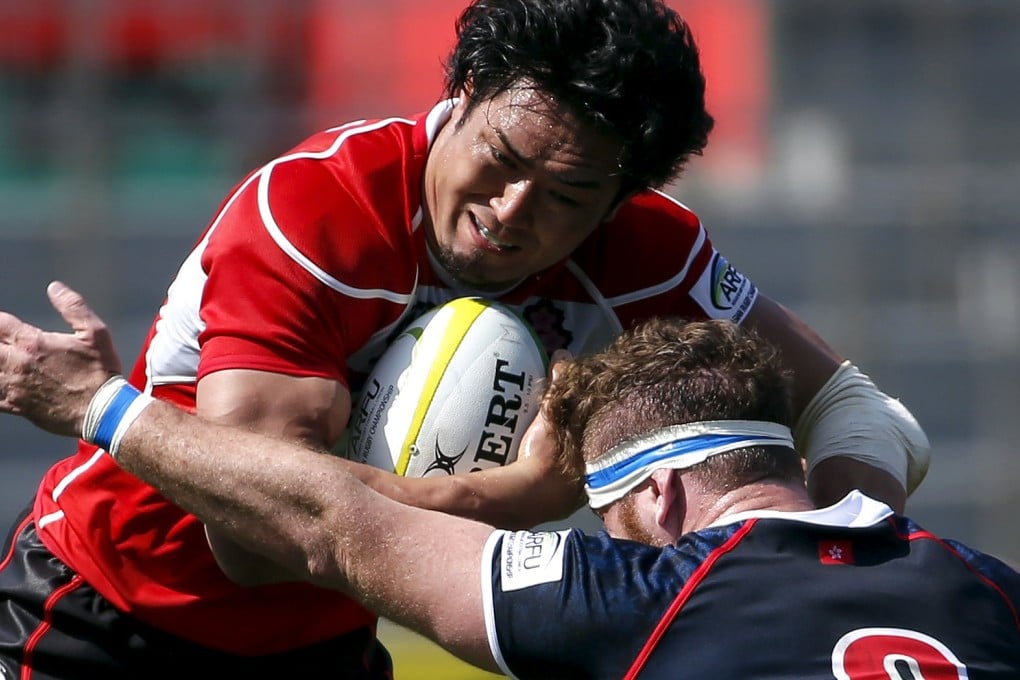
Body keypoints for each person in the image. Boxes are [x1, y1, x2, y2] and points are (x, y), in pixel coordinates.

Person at [0, 0, 930, 676]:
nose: (510, 213)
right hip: (102, 611)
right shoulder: (320, 208)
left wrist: (848, 564)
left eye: (567, 196)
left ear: (620, 197)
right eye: (503, 158)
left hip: (321, 643)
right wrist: (521, 497)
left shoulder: (647, 250)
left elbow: (861, 412)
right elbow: (260, 534)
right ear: (466, 91)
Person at [0, 287, 1014, 679]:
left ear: (656, 497)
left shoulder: (651, 600)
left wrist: (99, 405)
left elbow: (331, 519)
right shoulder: (985, 583)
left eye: (613, 520)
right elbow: (877, 423)